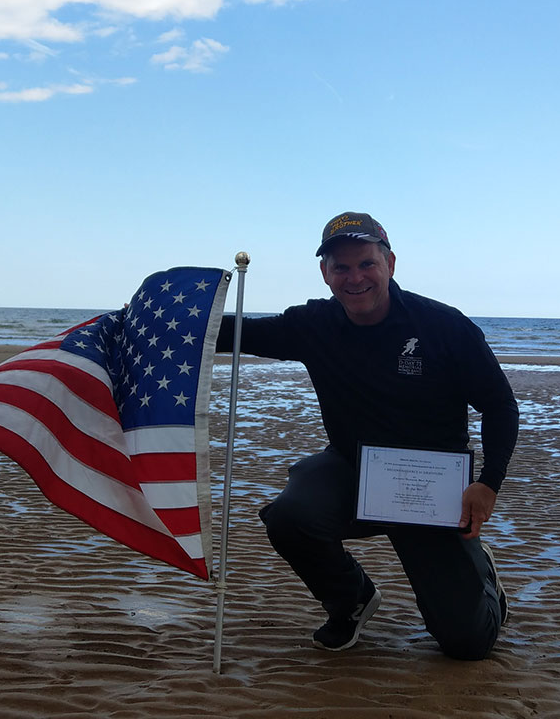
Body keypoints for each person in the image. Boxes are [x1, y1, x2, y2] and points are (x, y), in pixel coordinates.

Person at [216, 211, 519, 659]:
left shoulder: (443, 326)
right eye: (341, 267)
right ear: (325, 273)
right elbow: (233, 333)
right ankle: (351, 600)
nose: (354, 278)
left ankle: (483, 581)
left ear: (390, 264)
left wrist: (488, 482)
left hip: (427, 484)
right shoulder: (313, 324)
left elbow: (500, 405)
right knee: (289, 516)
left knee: (467, 644)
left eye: (366, 264)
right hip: (351, 468)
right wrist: (142, 321)